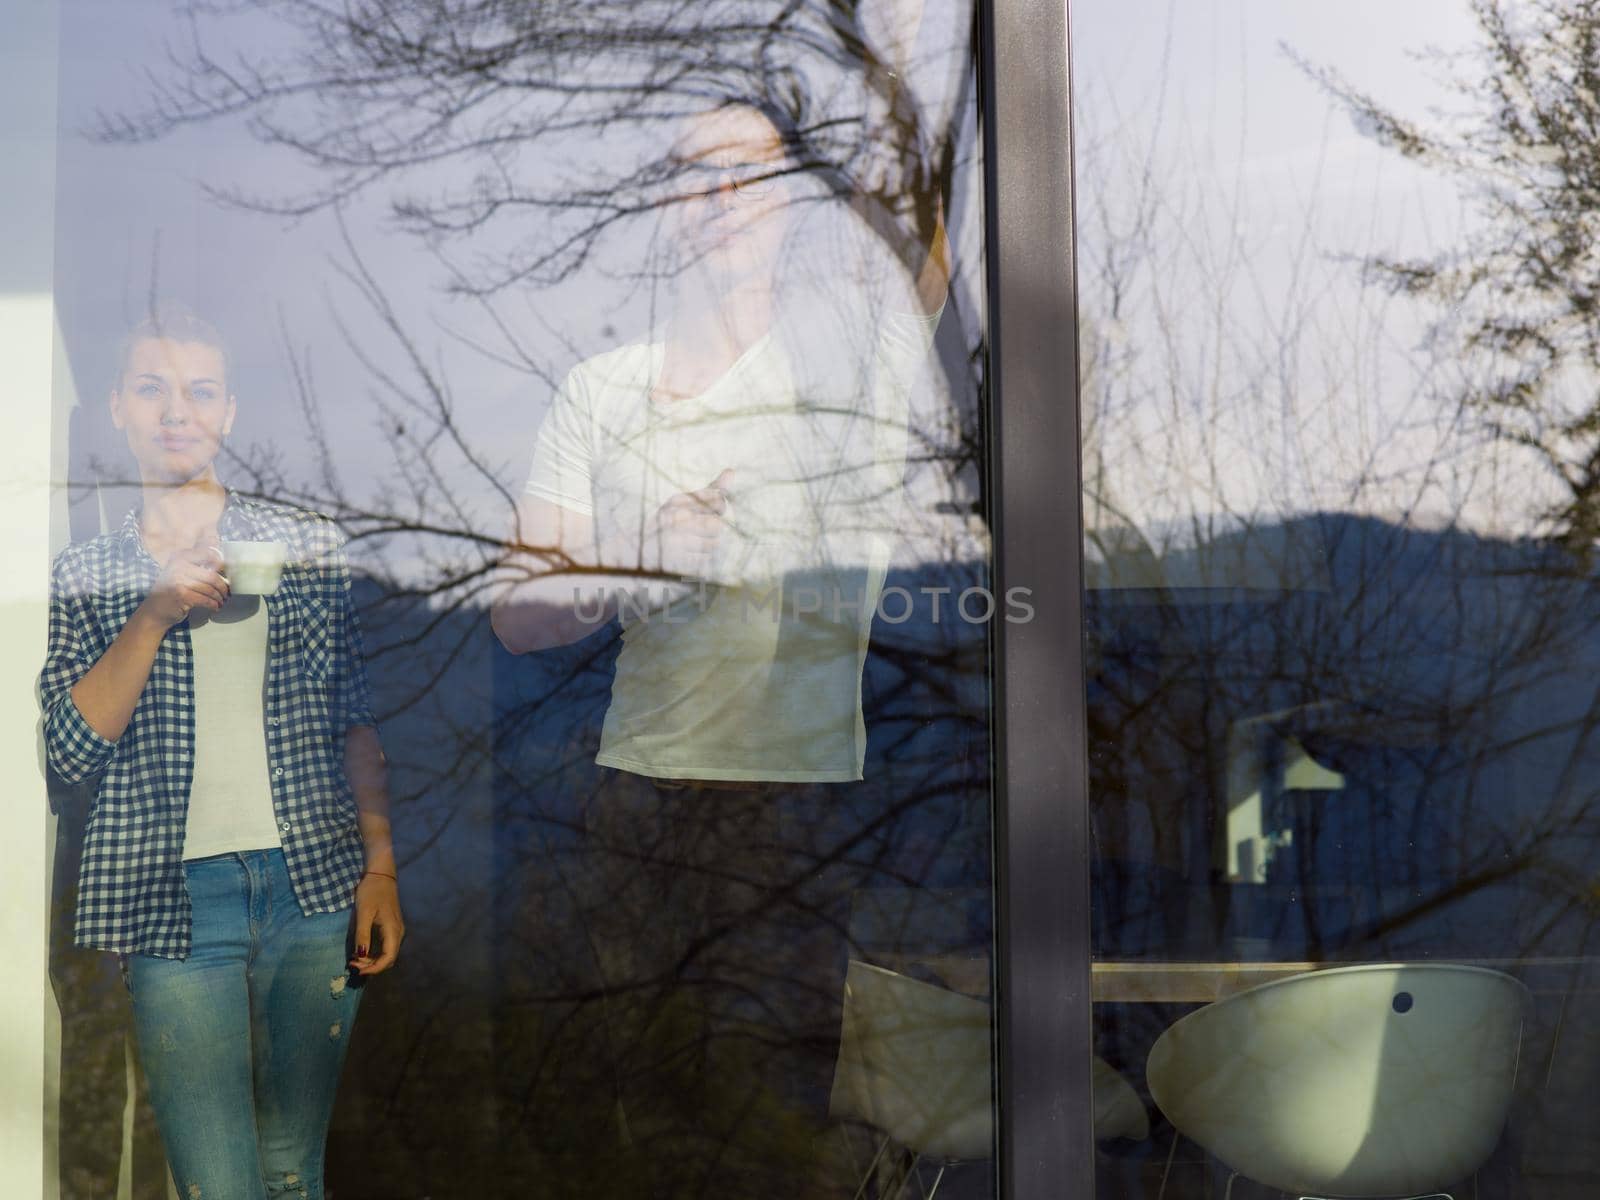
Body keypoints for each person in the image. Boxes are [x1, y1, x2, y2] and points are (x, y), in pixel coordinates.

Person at [490, 82, 949, 1195]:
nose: (721, 194)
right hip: (638, 798)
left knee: (781, 1133)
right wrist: (631, 558)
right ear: (664, 208)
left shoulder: (843, 381)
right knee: (643, 1123)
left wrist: (900, 54)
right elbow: (513, 612)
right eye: (695, 172)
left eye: (750, 170)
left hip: (800, 807)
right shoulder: (601, 392)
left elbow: (928, 218)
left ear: (795, 202)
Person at [38, 307, 403, 1200]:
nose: (176, 411)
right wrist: (155, 611)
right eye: (152, 388)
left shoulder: (304, 542)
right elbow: (69, 750)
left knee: (291, 1172)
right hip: (173, 903)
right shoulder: (89, 572)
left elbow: (352, 717)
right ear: (118, 407)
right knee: (216, 1184)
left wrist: (381, 866)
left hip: (311, 886)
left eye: (200, 390)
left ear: (229, 412)